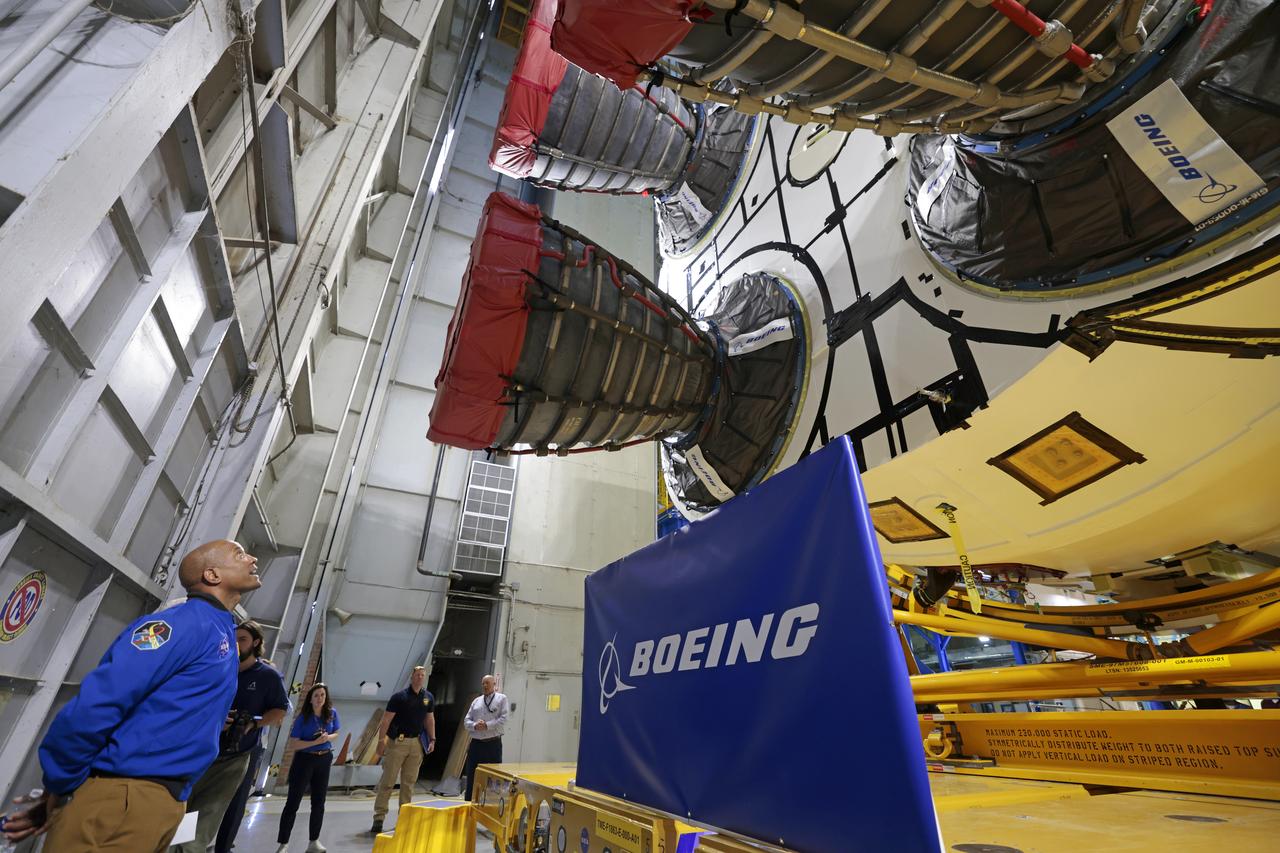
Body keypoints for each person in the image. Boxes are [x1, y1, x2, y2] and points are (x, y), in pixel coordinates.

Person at [0, 540, 260, 852]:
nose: (252, 559)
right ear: (213, 574)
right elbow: (98, 703)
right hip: (123, 799)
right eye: (240, 554)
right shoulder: (176, 626)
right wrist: (58, 784)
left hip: (164, 801)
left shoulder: (220, 632)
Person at [174, 620, 289, 853]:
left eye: (243, 639)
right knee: (184, 811)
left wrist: (253, 722)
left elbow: (279, 711)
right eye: (234, 639)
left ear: (255, 643)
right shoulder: (219, 668)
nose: (236, 644)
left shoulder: (268, 676)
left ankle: (195, 849)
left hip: (234, 759)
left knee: (208, 814)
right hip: (200, 753)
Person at [369, 666, 436, 834]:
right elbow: (385, 721)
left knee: (408, 783)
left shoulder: (428, 697)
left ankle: (404, 818)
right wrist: (381, 741)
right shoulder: (399, 697)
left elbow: (429, 719)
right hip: (397, 743)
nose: (420, 677)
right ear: (412, 677)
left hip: (417, 744)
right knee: (388, 781)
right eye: (417, 675)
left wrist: (432, 738)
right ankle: (379, 818)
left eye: (423, 675)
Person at [276, 683, 341, 853]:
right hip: (304, 760)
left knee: (319, 802)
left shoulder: (332, 714)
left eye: (322, 695)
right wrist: (313, 742)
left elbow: (337, 733)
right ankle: (283, 843)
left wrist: (328, 737)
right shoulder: (303, 718)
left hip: (324, 759)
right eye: (316, 696)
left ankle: (314, 841)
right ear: (310, 700)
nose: (320, 698)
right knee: (293, 802)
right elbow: (293, 743)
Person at [462, 674, 509, 801]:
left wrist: (487, 725)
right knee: (472, 773)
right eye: (483, 683)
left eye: (488, 683)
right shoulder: (476, 701)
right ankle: (469, 801)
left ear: (494, 684)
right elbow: (466, 721)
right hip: (476, 744)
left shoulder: (501, 699)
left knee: (493, 775)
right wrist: (475, 725)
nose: (485, 685)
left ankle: (491, 802)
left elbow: (503, 719)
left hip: (492, 744)